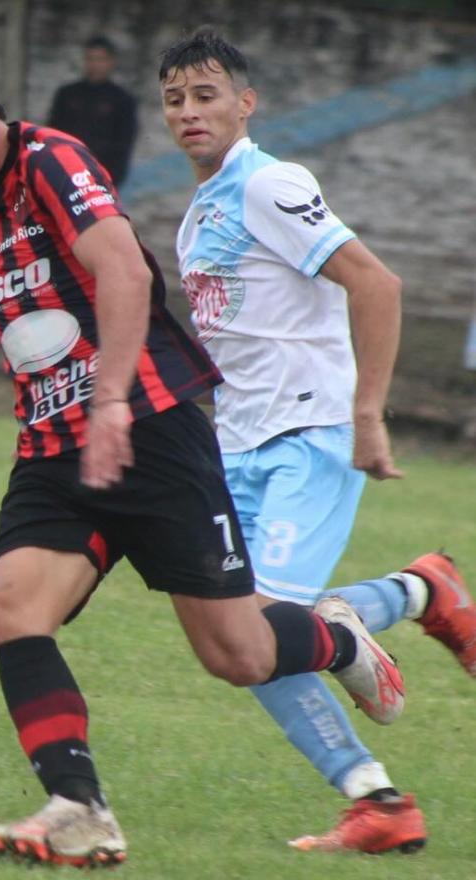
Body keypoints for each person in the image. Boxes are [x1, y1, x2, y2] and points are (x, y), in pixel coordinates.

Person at [0, 39, 406, 867]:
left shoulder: (52, 159)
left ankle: (336, 637)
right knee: (10, 612)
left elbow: (123, 273)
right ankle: (79, 809)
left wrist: (113, 398)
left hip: (150, 426)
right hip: (55, 447)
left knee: (239, 653)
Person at [160, 29, 476, 854]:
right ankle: (417, 610)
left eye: (206, 94)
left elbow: (376, 282)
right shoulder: (200, 214)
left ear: (245, 103)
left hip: (309, 433)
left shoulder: (271, 182)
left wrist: (368, 412)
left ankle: (381, 785)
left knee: (263, 627)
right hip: (236, 448)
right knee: (239, 640)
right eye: (175, 99)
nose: (190, 111)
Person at [47, 36, 138, 187]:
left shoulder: (122, 99)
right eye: (91, 59)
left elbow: (124, 142)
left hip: (102, 175)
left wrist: (111, 178)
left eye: (101, 59)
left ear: (111, 62)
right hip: (66, 171)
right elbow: (53, 133)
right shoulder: (68, 94)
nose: (95, 65)